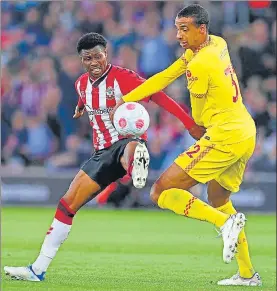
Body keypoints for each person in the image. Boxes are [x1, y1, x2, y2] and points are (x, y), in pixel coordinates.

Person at [4, 32, 205, 282]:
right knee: (67, 205)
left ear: (106, 55)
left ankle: (134, 166)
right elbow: (85, 97)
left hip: (125, 142)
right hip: (100, 154)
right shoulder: (81, 84)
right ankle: (37, 270)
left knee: (129, 146)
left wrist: (189, 124)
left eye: (98, 56)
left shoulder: (123, 77)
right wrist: (80, 107)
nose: (94, 62)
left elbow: (157, 95)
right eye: (88, 58)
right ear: (82, 60)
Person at [110, 4, 261, 287]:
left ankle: (223, 224)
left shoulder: (200, 64)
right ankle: (247, 274)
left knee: (161, 191)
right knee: (220, 201)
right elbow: (164, 77)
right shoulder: (217, 43)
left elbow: (199, 118)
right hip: (244, 130)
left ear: (200, 29)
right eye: (177, 28)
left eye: (185, 29)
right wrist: (127, 98)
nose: (179, 35)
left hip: (224, 135)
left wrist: (194, 127)